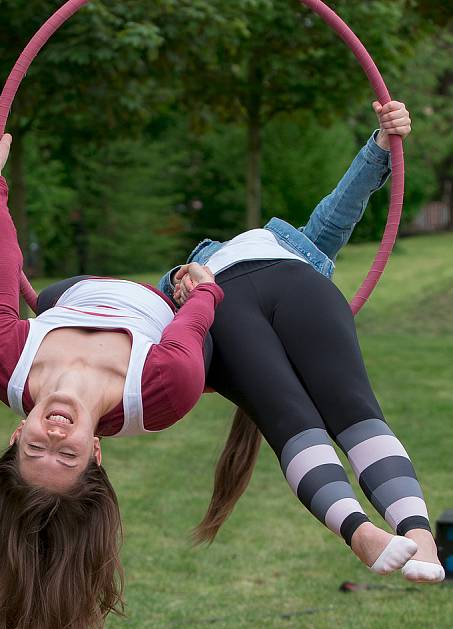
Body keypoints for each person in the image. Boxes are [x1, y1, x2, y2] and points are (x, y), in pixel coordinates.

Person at [0, 134, 223, 629]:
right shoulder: (164, 393)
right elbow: (196, 318)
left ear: (15, 435)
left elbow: (0, 269)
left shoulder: (1, 359)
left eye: (35, 451)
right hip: (159, 307)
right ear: (95, 452)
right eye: (68, 454)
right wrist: (202, 292)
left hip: (67, 295)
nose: (53, 435)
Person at [157, 100, 444, 587]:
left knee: (350, 409)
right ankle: (362, 535)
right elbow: (132, 313)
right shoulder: (188, 288)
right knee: (300, 421)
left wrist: (382, 142)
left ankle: (420, 533)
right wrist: (180, 283)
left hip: (290, 285)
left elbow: (339, 211)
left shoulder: (287, 244)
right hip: (227, 304)